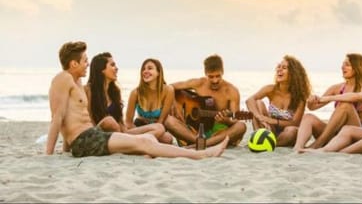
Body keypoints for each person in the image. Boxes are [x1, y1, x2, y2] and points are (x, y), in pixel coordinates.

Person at [46, 41, 228, 159]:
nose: (88, 64)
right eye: (85, 60)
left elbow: (73, 117)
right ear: (73, 64)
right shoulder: (63, 78)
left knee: (148, 138)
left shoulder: (76, 81)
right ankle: (201, 154)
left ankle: (189, 152)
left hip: (91, 137)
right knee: (145, 142)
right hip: (86, 140)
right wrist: (49, 154)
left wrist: (66, 151)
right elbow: (58, 117)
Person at [293, 53, 362, 151]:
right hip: (336, 133)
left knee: (345, 105)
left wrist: (331, 98)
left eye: (347, 65)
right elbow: (313, 107)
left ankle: (318, 144)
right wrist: (311, 100)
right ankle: (298, 147)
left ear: (358, 68)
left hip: (356, 133)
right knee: (308, 117)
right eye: (343, 64)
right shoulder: (337, 88)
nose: (342, 67)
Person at [85, 52, 172, 143]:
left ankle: (136, 141)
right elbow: (89, 119)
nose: (117, 68)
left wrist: (129, 132)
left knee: (163, 132)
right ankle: (139, 142)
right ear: (101, 69)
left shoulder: (115, 91)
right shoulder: (89, 90)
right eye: (112, 65)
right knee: (109, 121)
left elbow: (121, 123)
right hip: (102, 135)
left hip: (120, 133)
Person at [165, 54, 247, 147]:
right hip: (194, 132)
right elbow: (169, 87)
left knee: (241, 126)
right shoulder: (198, 83)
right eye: (211, 77)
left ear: (223, 72)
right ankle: (197, 142)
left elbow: (235, 119)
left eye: (218, 76)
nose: (215, 80)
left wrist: (226, 121)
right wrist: (173, 103)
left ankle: (201, 144)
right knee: (168, 120)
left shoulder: (231, 91)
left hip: (217, 133)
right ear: (205, 73)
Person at [246, 55, 311, 147]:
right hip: (270, 130)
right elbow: (249, 100)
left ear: (293, 74)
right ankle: (258, 137)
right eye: (278, 67)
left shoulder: (300, 97)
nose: (279, 70)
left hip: (286, 134)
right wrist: (260, 117)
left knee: (292, 130)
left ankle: (270, 144)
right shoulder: (270, 89)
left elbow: (295, 123)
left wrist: (272, 120)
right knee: (258, 103)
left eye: (284, 68)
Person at [124, 58, 175, 144]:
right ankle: (143, 142)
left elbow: (161, 121)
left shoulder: (168, 90)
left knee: (168, 138)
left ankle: (140, 142)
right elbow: (128, 122)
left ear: (158, 72)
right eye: (143, 69)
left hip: (158, 127)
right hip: (140, 126)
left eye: (150, 68)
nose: (145, 71)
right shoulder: (136, 93)